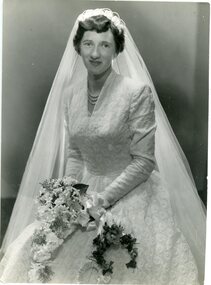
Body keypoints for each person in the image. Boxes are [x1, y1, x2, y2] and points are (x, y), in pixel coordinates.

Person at [0, 8, 206, 285]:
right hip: (85, 187)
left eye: (104, 45)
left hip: (129, 189)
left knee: (113, 260)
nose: (95, 53)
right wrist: (69, 195)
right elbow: (75, 152)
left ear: (116, 50)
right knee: (42, 252)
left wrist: (103, 199)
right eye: (88, 44)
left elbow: (143, 162)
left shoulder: (136, 93)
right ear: (79, 47)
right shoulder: (71, 95)